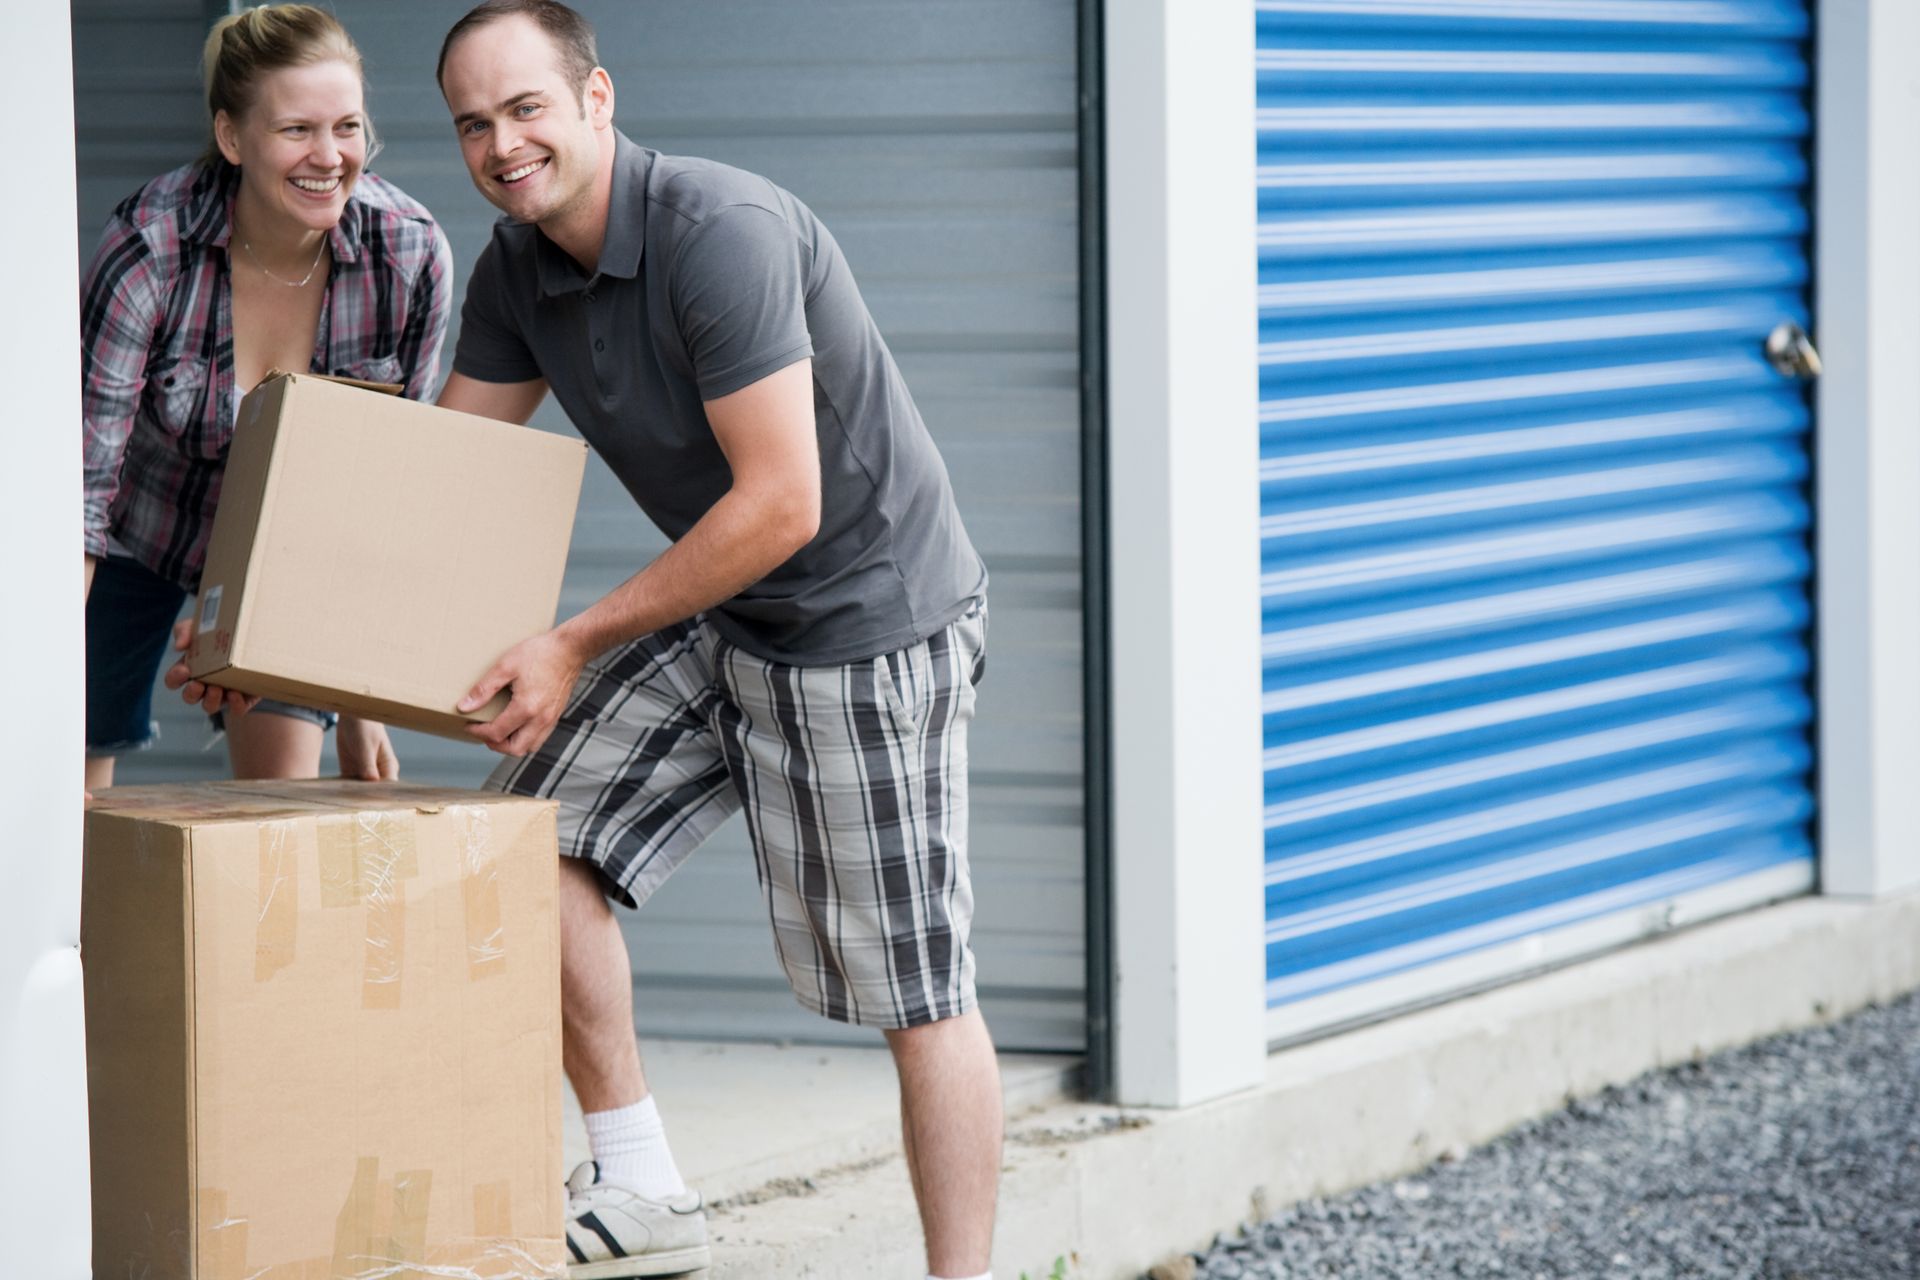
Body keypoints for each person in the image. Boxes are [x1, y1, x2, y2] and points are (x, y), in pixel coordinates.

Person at [434, 3, 1001, 1276]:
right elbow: (441, 471)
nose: (501, 143)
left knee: (915, 989)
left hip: (866, 619)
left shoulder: (718, 234)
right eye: (473, 122)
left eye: (525, 106)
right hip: (726, 606)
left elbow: (783, 501)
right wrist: (314, 660)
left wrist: (571, 640)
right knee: (528, 839)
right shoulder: (516, 267)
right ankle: (642, 1184)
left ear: (596, 99)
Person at [83, 3, 452, 791]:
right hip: (129, 532)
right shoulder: (150, 250)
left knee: (282, 804)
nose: (329, 156)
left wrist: (360, 703)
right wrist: (51, 678)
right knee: (67, 788)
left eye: (347, 126)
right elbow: (81, 489)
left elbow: (382, 485)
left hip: (286, 551)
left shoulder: (408, 254)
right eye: (296, 131)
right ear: (231, 138)